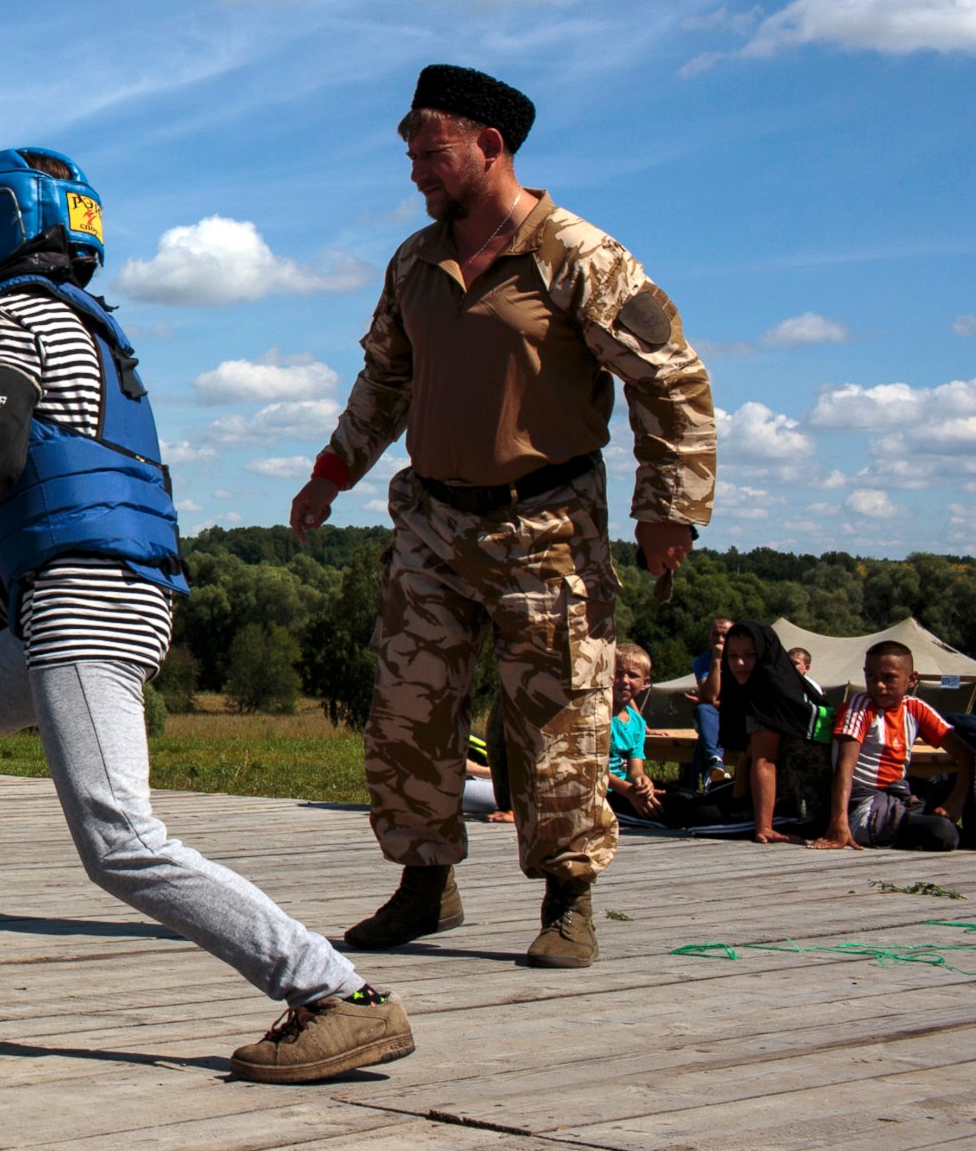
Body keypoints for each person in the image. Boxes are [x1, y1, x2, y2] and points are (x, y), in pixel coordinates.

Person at [0, 146, 412, 1083]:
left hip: (85, 605)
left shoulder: (8, 314)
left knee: (120, 841)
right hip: (98, 594)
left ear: (5, 224)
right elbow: (70, 488)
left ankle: (334, 992)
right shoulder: (94, 332)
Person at [289, 65, 714, 969]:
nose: (417, 173)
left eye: (431, 153)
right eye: (409, 156)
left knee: (560, 715)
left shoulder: (579, 256)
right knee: (408, 709)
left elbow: (669, 378)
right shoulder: (414, 262)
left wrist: (668, 508)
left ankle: (568, 901)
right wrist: (332, 474)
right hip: (433, 522)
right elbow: (385, 380)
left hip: (548, 523)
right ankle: (424, 884)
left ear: (491, 145)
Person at [815, 641, 969, 853]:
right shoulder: (860, 707)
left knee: (952, 781)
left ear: (911, 679)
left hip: (898, 794)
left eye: (888, 678)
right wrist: (838, 823)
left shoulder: (915, 708)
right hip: (864, 803)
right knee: (942, 832)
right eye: (871, 676)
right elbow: (844, 769)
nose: (878, 685)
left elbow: (967, 756)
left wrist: (956, 802)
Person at [714, 619, 820, 842]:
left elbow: (764, 761)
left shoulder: (767, 693)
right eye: (732, 656)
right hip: (792, 795)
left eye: (750, 655)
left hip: (802, 805)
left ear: (764, 653)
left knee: (695, 815)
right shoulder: (781, 684)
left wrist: (763, 827)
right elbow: (751, 754)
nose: (740, 663)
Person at [607, 645, 663, 819]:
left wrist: (642, 781)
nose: (624, 680)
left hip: (627, 787)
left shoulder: (637, 722)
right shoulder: (598, 716)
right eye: (618, 673)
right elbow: (592, 769)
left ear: (645, 683)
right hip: (602, 792)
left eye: (632, 675)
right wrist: (628, 792)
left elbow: (635, 769)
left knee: (682, 798)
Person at [687, 617, 731, 788]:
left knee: (703, 741)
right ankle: (715, 764)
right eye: (715, 634)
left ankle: (697, 786)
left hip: (738, 718)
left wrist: (703, 701)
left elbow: (740, 702)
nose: (719, 640)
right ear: (709, 635)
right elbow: (712, 695)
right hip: (714, 719)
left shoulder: (742, 661)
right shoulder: (702, 662)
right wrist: (716, 661)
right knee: (704, 710)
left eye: (725, 636)